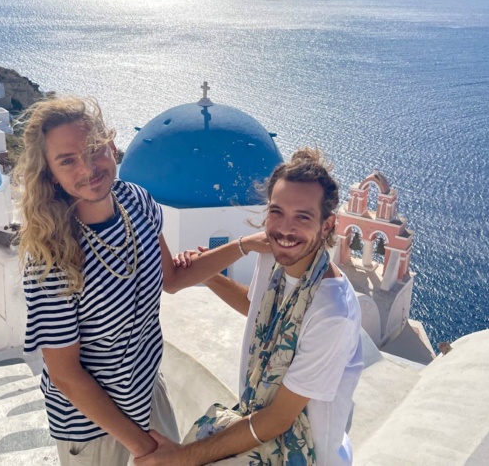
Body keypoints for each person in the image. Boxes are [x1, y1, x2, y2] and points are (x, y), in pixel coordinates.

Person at [16, 96, 270, 465]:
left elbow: (173, 278)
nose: (88, 167)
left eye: (93, 149)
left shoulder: (137, 202)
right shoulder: (51, 255)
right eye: (67, 161)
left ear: (111, 144)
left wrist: (246, 244)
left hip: (148, 396)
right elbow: (66, 375)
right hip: (94, 429)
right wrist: (145, 448)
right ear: (51, 174)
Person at [137, 148, 363, 466]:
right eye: (277, 211)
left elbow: (279, 419)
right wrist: (210, 275)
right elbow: (257, 308)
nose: (285, 229)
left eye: (303, 216)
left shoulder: (332, 313)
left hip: (301, 451)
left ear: (327, 226)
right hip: (256, 418)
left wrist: (183, 457)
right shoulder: (273, 257)